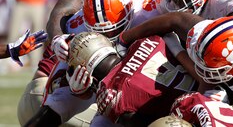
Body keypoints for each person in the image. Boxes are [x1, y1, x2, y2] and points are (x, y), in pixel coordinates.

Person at [21, 0, 133, 126]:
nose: (108, 37)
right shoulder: (74, 34)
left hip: (129, 98)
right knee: (38, 96)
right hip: (91, 104)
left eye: (114, 31)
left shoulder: (144, 20)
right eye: (100, 32)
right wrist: (77, 91)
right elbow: (48, 86)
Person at [27, 31, 199, 126]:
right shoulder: (147, 39)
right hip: (207, 92)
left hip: (185, 117)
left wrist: (91, 95)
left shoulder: (112, 94)